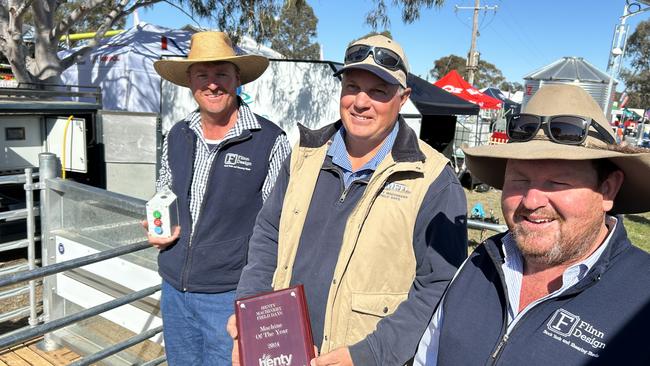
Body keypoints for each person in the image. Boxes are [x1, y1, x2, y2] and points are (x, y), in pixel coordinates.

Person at [229, 35, 468, 365]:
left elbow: (439, 284)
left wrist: (368, 354)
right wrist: (250, 317)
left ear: (403, 98)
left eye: (378, 91)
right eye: (352, 86)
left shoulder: (434, 181)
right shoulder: (304, 156)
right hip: (283, 352)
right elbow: (269, 235)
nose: (360, 102)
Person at [415, 84, 650, 365]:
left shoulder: (642, 299)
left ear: (608, 190)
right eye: (519, 179)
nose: (531, 200)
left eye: (558, 182)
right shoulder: (481, 261)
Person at [146, 31, 290, 365]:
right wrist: (158, 223)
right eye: (203, 75)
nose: (212, 84)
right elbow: (164, 191)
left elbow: (279, 227)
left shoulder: (269, 141)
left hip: (229, 296)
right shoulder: (177, 134)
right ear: (190, 81)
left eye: (221, 74)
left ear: (237, 78)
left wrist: (254, 295)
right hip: (173, 289)